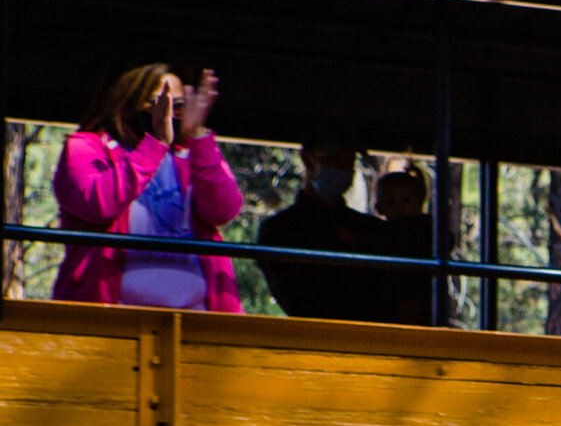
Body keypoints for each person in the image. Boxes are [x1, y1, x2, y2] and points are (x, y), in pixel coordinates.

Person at [52, 63, 243, 312]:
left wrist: (197, 134)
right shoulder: (87, 148)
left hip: (197, 319)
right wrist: (156, 144)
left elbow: (224, 209)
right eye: (159, 101)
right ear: (128, 101)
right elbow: (97, 203)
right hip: (110, 318)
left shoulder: (192, 157)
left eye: (180, 105)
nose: (169, 112)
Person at [258, 131, 386, 322]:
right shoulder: (279, 231)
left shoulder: (370, 229)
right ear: (307, 159)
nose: (342, 169)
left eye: (349, 161)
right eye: (334, 159)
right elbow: (299, 302)